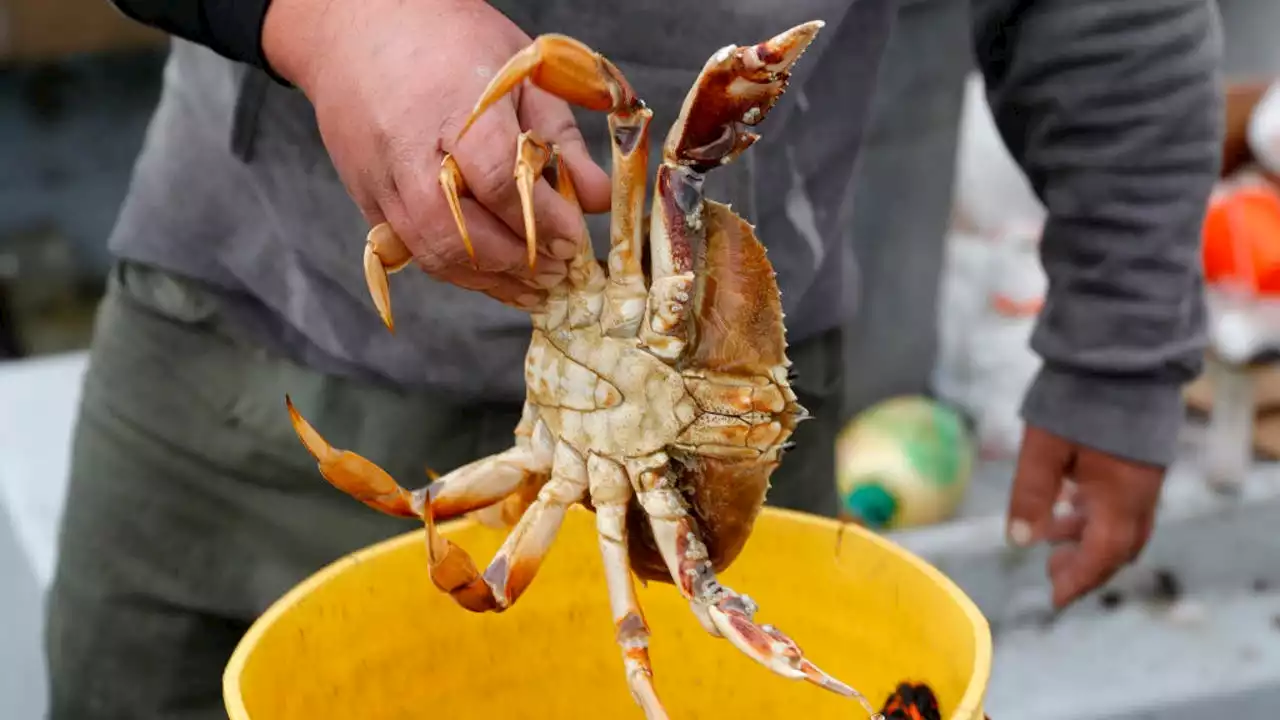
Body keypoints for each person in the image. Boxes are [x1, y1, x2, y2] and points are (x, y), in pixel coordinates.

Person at [46, 0, 1222, 717]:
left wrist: (1120, 346)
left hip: (713, 448)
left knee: (686, 626)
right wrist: (327, 9)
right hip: (239, 350)